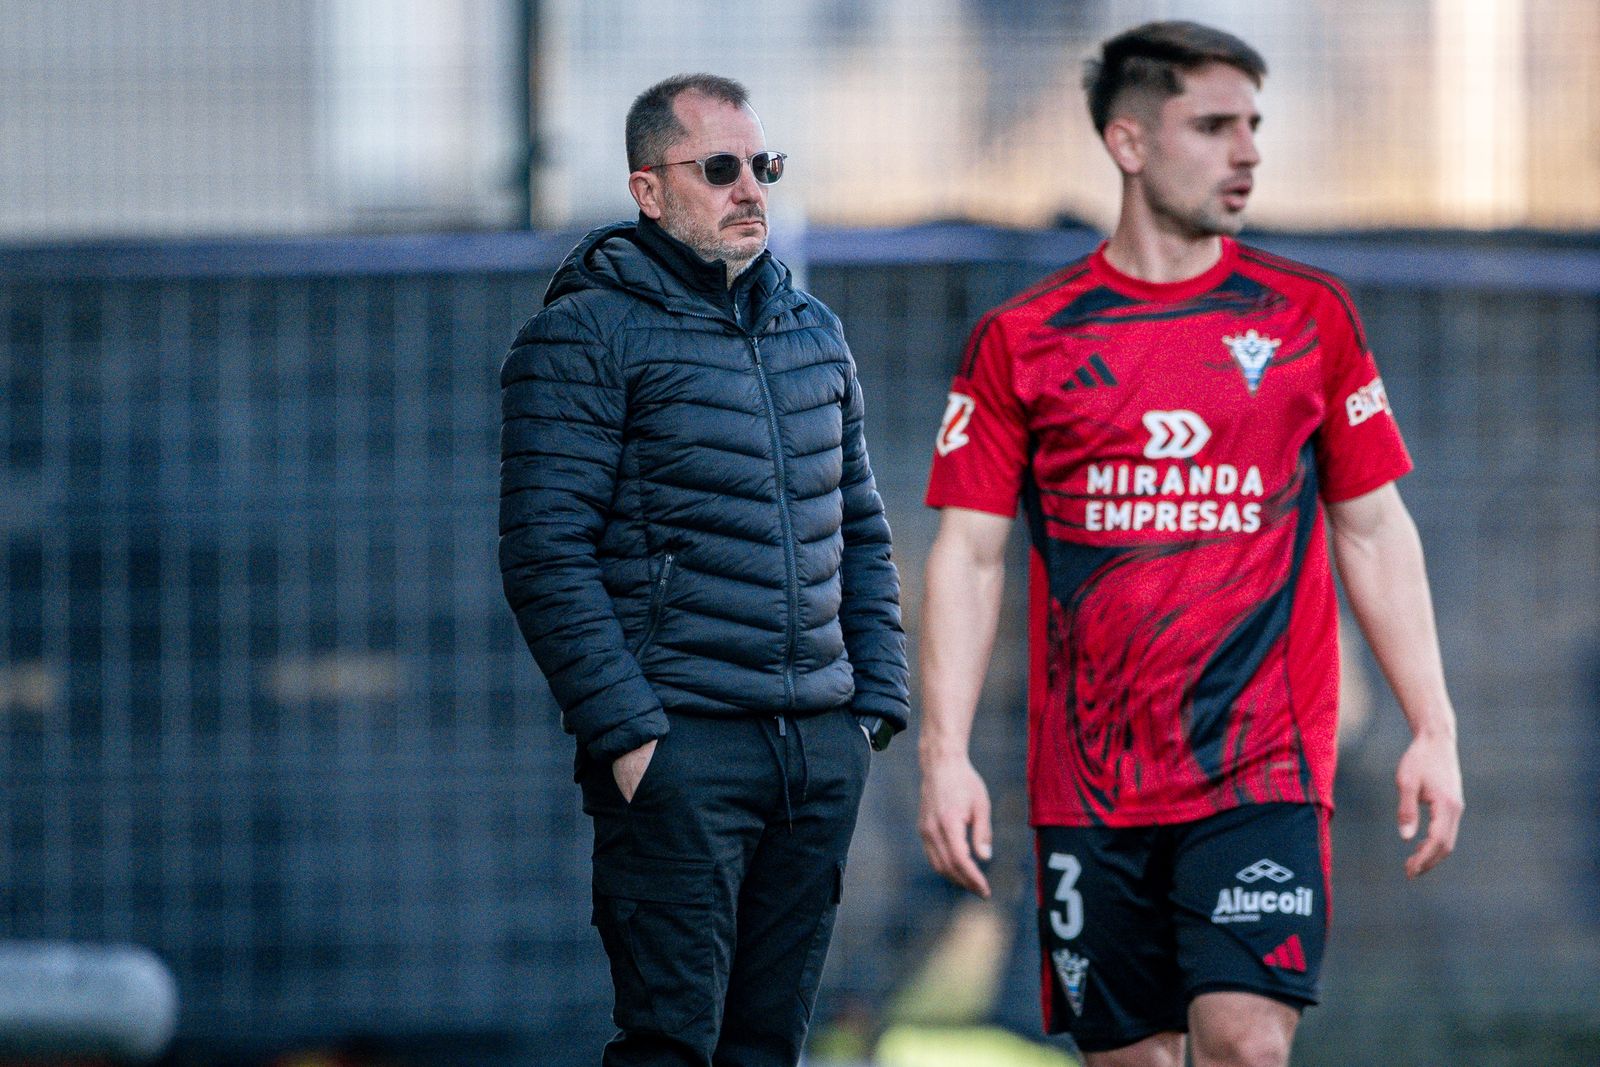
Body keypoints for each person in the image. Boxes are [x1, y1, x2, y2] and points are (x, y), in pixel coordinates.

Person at [917, 21, 1463, 1067]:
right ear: (1127, 142)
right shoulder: (1023, 341)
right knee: (1133, 1058)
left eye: (1253, 124)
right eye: (1212, 125)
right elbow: (968, 555)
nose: (1246, 150)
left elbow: (1373, 523)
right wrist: (943, 758)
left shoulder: (1308, 318)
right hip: (1089, 779)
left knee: (1246, 1041)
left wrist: (1431, 723)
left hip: (1259, 763)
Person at [498, 73, 909, 1067]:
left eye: (762, 166)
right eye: (717, 169)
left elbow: (859, 525)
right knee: (671, 1045)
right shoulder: (582, 335)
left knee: (767, 1044)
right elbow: (544, 552)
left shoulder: (812, 333)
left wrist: (872, 708)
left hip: (815, 744)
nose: (749, 190)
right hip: (681, 749)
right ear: (648, 190)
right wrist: (636, 736)